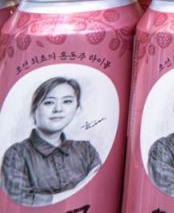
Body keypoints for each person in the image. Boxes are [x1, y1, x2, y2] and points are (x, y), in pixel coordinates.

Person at [1, 77, 101, 206]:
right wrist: (76, 191)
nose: (58, 109)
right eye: (49, 102)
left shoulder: (86, 150)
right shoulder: (16, 154)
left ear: (77, 109)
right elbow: (19, 201)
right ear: (34, 110)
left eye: (67, 101)